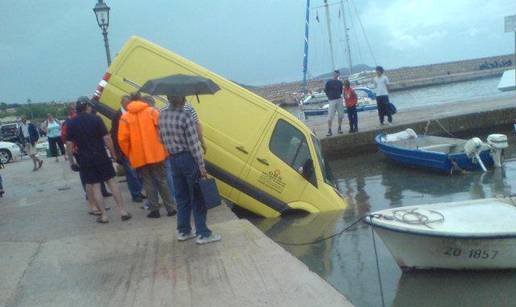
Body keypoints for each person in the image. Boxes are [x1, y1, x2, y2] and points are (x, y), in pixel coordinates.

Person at [159, 95, 221, 245]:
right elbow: (194, 145)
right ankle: (203, 233)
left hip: (173, 158)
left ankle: (184, 231)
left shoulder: (162, 114)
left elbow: (161, 138)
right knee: (198, 197)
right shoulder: (186, 115)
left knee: (181, 197)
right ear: (182, 99)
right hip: (188, 158)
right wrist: (201, 167)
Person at [66, 97, 131, 223]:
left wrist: (71, 161)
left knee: (96, 186)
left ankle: (104, 216)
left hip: (85, 159)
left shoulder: (72, 123)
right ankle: (123, 211)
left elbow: (69, 144)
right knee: (112, 182)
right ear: (88, 107)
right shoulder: (96, 119)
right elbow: (107, 138)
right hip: (101, 156)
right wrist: (113, 154)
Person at [118, 93, 177, 219]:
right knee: (162, 180)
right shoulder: (152, 112)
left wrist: (130, 153)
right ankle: (171, 208)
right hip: (157, 153)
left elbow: (122, 140)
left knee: (148, 182)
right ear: (141, 99)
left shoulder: (125, 117)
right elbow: (163, 129)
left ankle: (154, 210)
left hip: (139, 157)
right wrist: (165, 148)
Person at [111, 95, 146, 203]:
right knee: (131, 173)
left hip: (135, 148)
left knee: (139, 172)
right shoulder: (118, 115)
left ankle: (140, 191)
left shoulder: (132, 113)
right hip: (125, 149)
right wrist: (118, 153)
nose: (128, 105)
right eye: (126, 103)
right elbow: (115, 135)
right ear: (122, 103)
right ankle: (136, 194)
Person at [324, 70, 345, 136]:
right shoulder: (329, 82)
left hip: (339, 99)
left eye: (338, 74)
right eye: (335, 74)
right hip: (332, 100)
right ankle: (329, 130)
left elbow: (341, 91)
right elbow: (326, 90)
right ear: (333, 74)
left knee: (341, 114)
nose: (337, 75)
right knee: (330, 116)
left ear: (339, 75)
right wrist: (329, 96)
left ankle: (339, 128)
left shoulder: (340, 82)